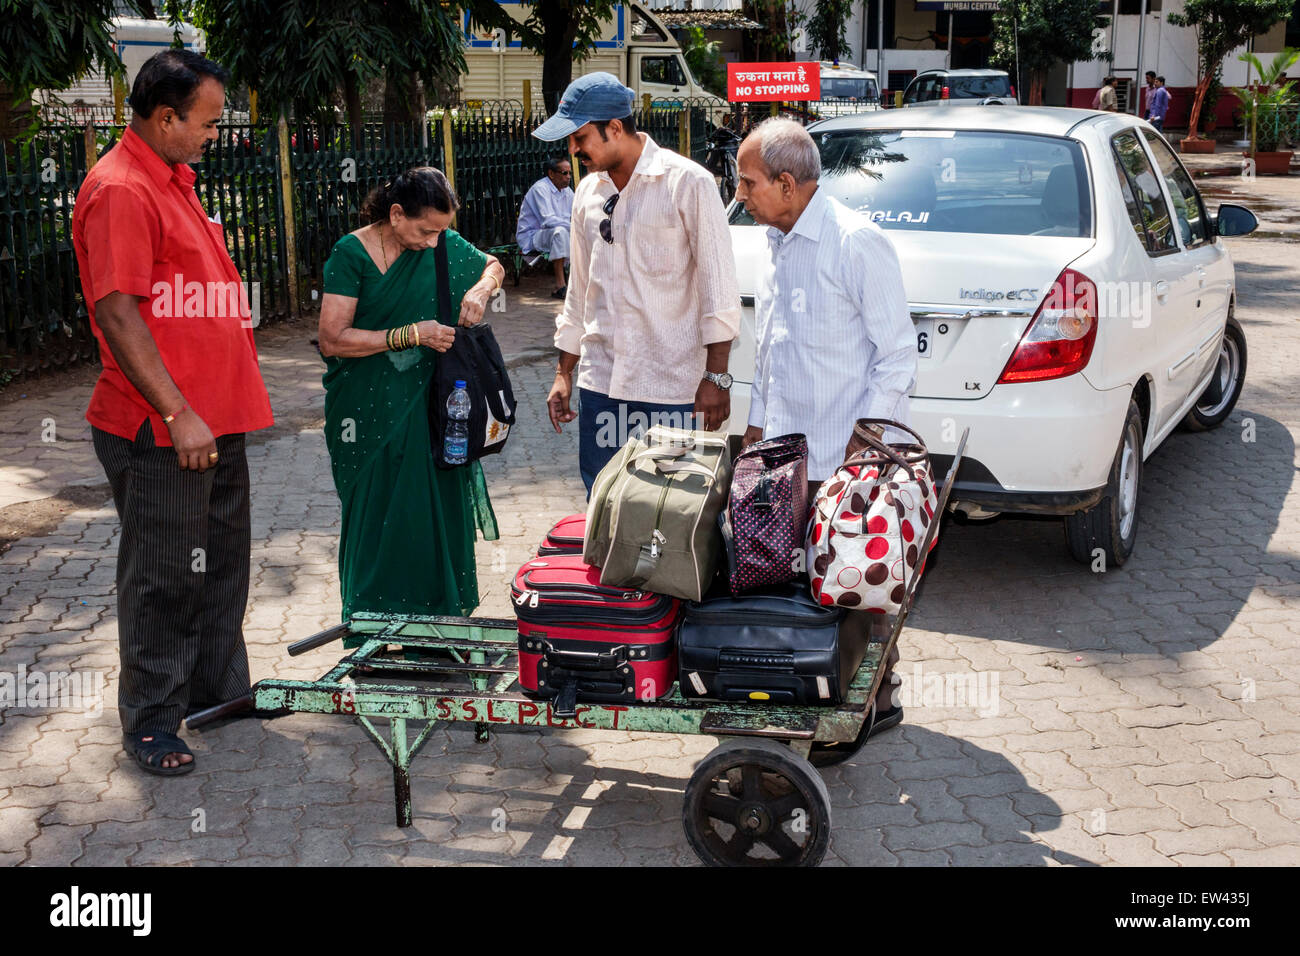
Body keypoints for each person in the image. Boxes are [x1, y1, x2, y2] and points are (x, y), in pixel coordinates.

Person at [71, 50, 274, 775]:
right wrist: (178, 413)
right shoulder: (122, 189)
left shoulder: (172, 181)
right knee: (164, 576)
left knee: (220, 562)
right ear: (165, 118)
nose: (214, 133)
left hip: (217, 417)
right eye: (208, 121)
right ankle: (153, 722)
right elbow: (118, 312)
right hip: (160, 427)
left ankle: (218, 692)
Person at [734, 117, 917, 735]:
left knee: (857, 578)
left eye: (748, 181)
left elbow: (896, 357)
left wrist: (864, 456)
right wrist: (756, 433)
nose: (740, 193)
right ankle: (816, 687)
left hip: (846, 456)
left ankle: (878, 697)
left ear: (787, 184)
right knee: (796, 574)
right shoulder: (776, 242)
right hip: (786, 453)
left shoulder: (855, 242)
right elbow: (771, 348)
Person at [533, 72, 741, 494]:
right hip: (602, 385)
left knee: (668, 514)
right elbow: (580, 293)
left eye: (580, 138)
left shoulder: (689, 183)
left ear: (615, 128)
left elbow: (718, 290)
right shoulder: (588, 194)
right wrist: (563, 373)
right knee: (603, 503)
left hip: (672, 387)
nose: (573, 150)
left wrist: (716, 378)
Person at [318, 168, 501, 640]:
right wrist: (408, 335)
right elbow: (333, 339)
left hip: (436, 410)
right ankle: (374, 629)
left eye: (442, 230)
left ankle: (441, 626)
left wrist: (481, 291)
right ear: (396, 215)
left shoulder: (441, 244)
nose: (435, 240)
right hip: (369, 412)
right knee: (380, 515)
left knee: (435, 510)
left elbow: (493, 265)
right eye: (426, 230)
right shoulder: (350, 253)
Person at [516, 155, 575, 299]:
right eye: (564, 173)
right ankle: (560, 286)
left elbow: (576, 214)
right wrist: (573, 226)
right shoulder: (540, 189)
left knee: (582, 232)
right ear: (551, 174)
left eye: (570, 173)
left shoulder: (567, 191)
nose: (568, 177)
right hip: (533, 235)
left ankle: (580, 282)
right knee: (560, 233)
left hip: (554, 232)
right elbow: (547, 221)